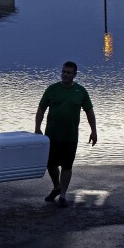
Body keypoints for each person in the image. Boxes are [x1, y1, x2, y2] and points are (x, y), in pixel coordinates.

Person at [34, 61, 98, 208]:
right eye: (63, 72)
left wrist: (93, 131)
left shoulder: (80, 91)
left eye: (68, 72)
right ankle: (56, 186)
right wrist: (37, 128)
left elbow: (89, 112)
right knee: (50, 164)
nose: (65, 75)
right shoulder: (52, 89)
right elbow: (41, 109)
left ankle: (62, 195)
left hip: (70, 137)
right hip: (51, 135)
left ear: (74, 75)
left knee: (67, 166)